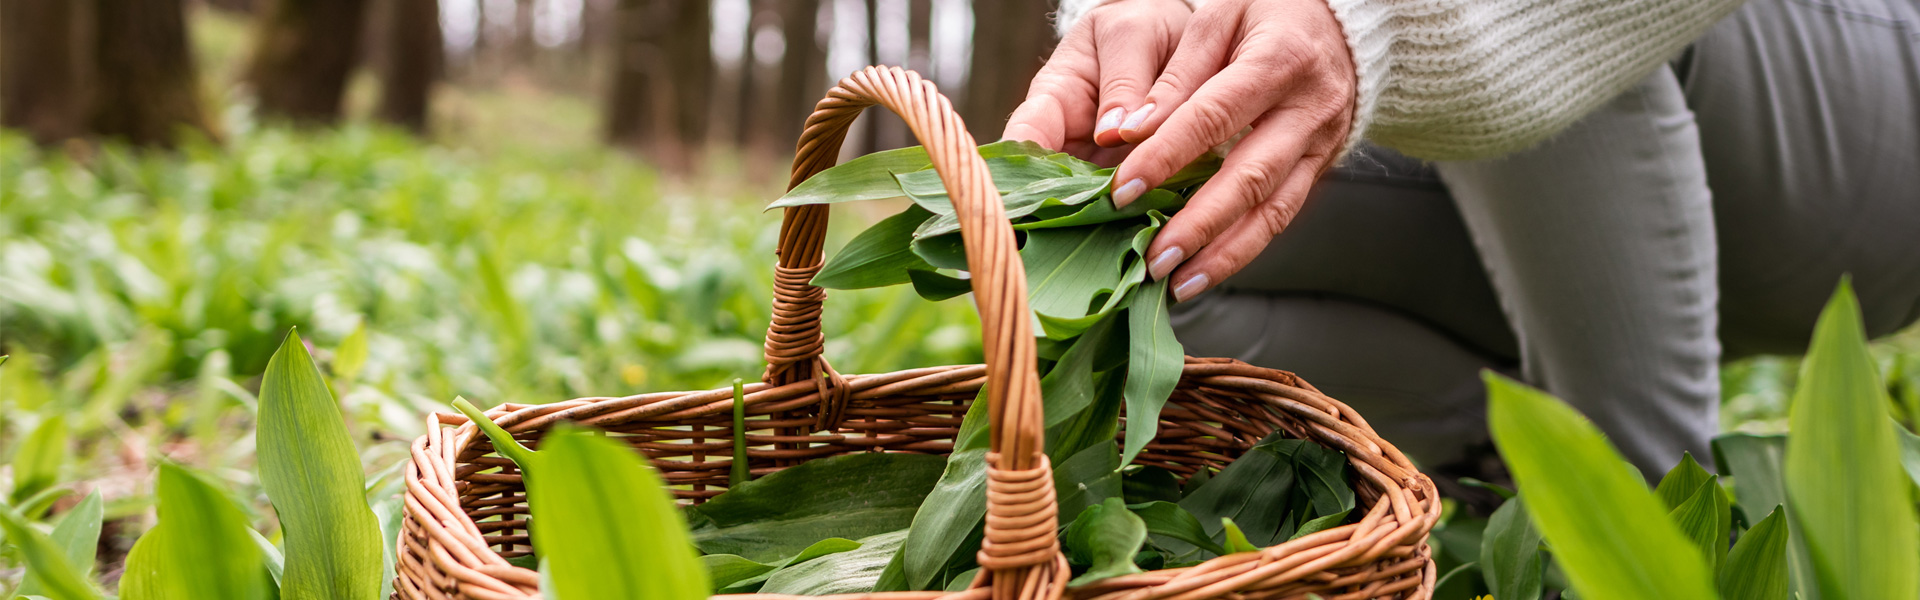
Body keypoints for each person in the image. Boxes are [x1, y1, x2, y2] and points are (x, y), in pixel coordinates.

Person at [1003, 0, 1920, 482]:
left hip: (1848, 137)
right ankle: (1517, 457)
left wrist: (1375, 20)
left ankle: (1649, 519)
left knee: (1527, 44)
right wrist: (1165, 40)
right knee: (1153, 265)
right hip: (1504, 183)